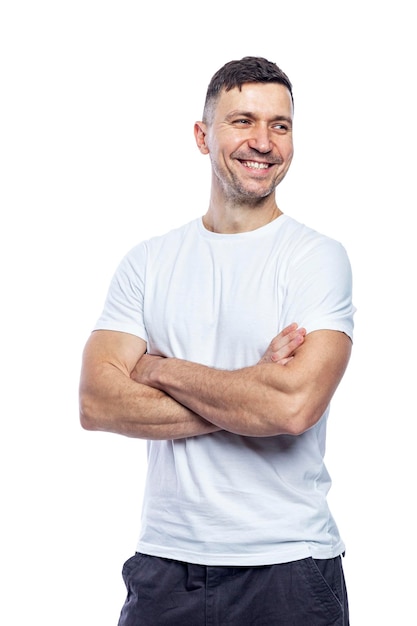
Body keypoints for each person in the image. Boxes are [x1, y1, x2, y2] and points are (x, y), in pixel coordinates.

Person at [79, 56, 355, 625]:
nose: (264, 141)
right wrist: (248, 387)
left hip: (287, 569)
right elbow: (96, 401)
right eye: (243, 121)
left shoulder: (315, 259)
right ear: (203, 136)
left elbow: (291, 406)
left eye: (280, 125)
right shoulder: (148, 262)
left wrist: (158, 369)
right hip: (164, 567)